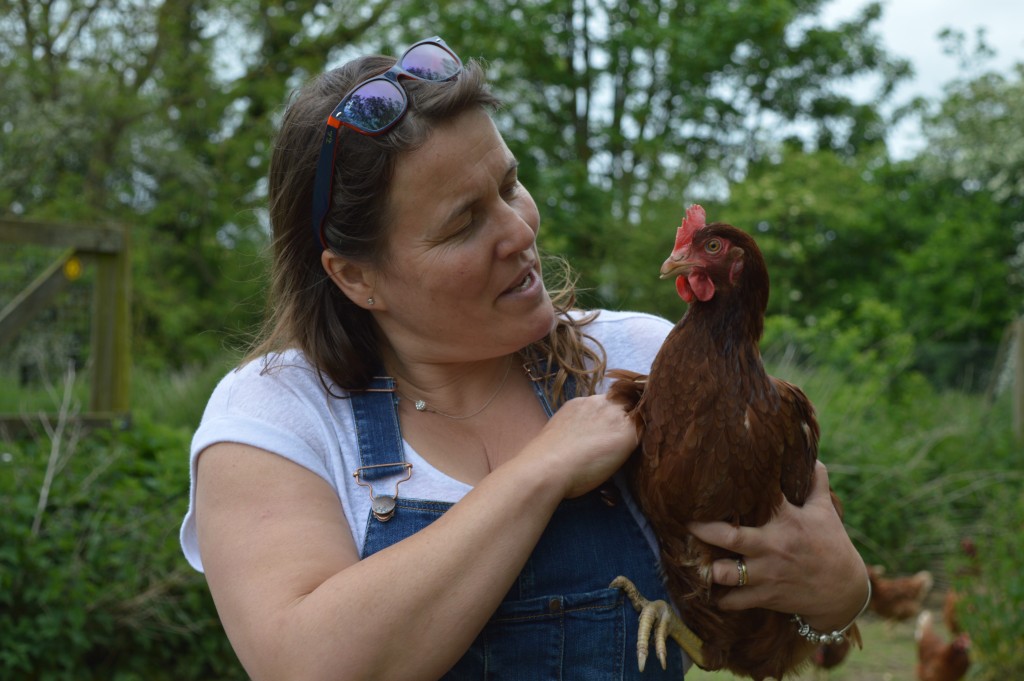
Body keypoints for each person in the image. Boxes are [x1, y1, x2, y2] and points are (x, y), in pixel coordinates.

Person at [179, 36, 870, 680]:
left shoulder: (644, 357)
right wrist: (542, 469)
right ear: (356, 277)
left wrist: (838, 593)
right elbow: (307, 663)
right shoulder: (275, 417)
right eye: (462, 224)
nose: (519, 230)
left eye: (509, 186)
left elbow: (796, 594)